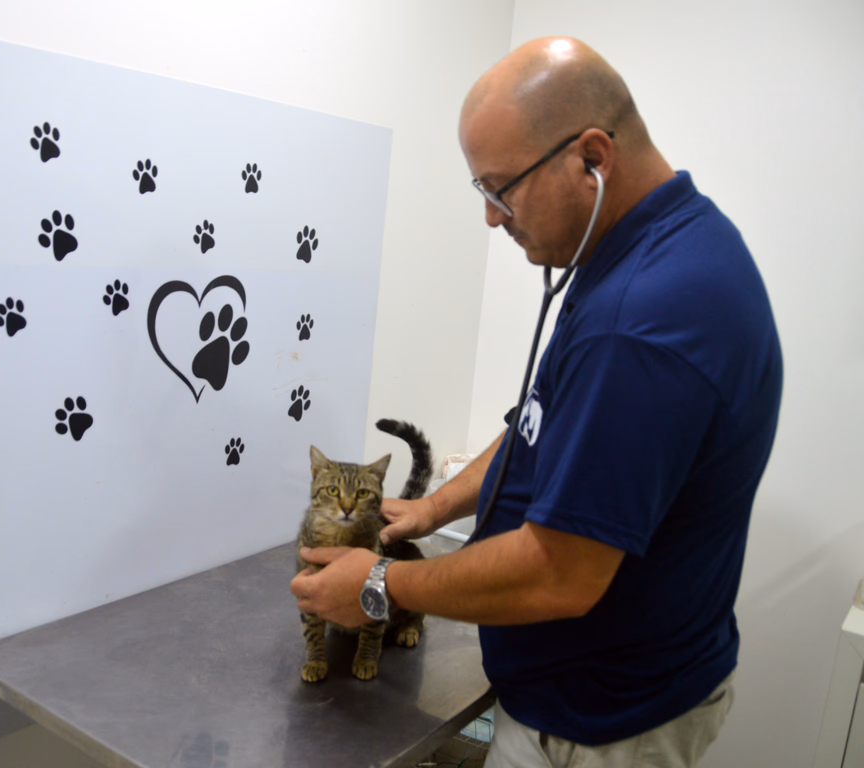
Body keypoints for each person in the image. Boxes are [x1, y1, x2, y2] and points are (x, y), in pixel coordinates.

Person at [290, 36, 782, 768]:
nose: (493, 218)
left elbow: (561, 572)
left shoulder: (638, 322)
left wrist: (381, 587)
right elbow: (539, 423)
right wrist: (434, 508)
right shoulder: (659, 247)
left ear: (592, 158)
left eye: (501, 189)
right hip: (605, 691)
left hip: (600, 724)